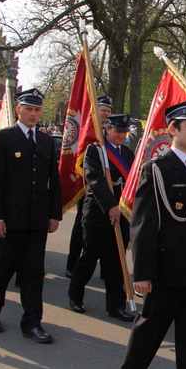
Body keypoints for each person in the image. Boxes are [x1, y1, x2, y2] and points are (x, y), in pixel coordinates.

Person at [120, 99, 186, 369]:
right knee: (147, 334)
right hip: (166, 271)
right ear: (172, 130)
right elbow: (143, 224)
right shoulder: (157, 169)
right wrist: (142, 272)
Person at [0, 88, 62, 343]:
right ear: (18, 110)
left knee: (34, 272)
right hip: (10, 218)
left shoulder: (47, 141)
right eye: (29, 109)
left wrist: (54, 213)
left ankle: (32, 322)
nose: (34, 114)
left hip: (37, 219)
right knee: (1, 268)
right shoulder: (5, 138)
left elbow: (53, 181)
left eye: (37, 110)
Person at [68, 113, 134, 321]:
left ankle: (116, 305)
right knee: (89, 257)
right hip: (98, 214)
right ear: (107, 129)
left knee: (116, 262)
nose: (121, 136)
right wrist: (110, 206)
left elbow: (131, 182)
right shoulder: (95, 151)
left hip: (120, 215)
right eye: (117, 131)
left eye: (124, 132)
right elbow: (95, 180)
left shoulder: (128, 154)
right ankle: (75, 295)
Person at [66, 94, 114, 278]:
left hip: (107, 185)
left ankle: (105, 269)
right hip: (87, 185)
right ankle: (72, 264)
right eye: (103, 110)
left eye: (108, 111)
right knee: (81, 226)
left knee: (107, 230)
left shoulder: (111, 130)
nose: (106, 114)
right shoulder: (88, 129)